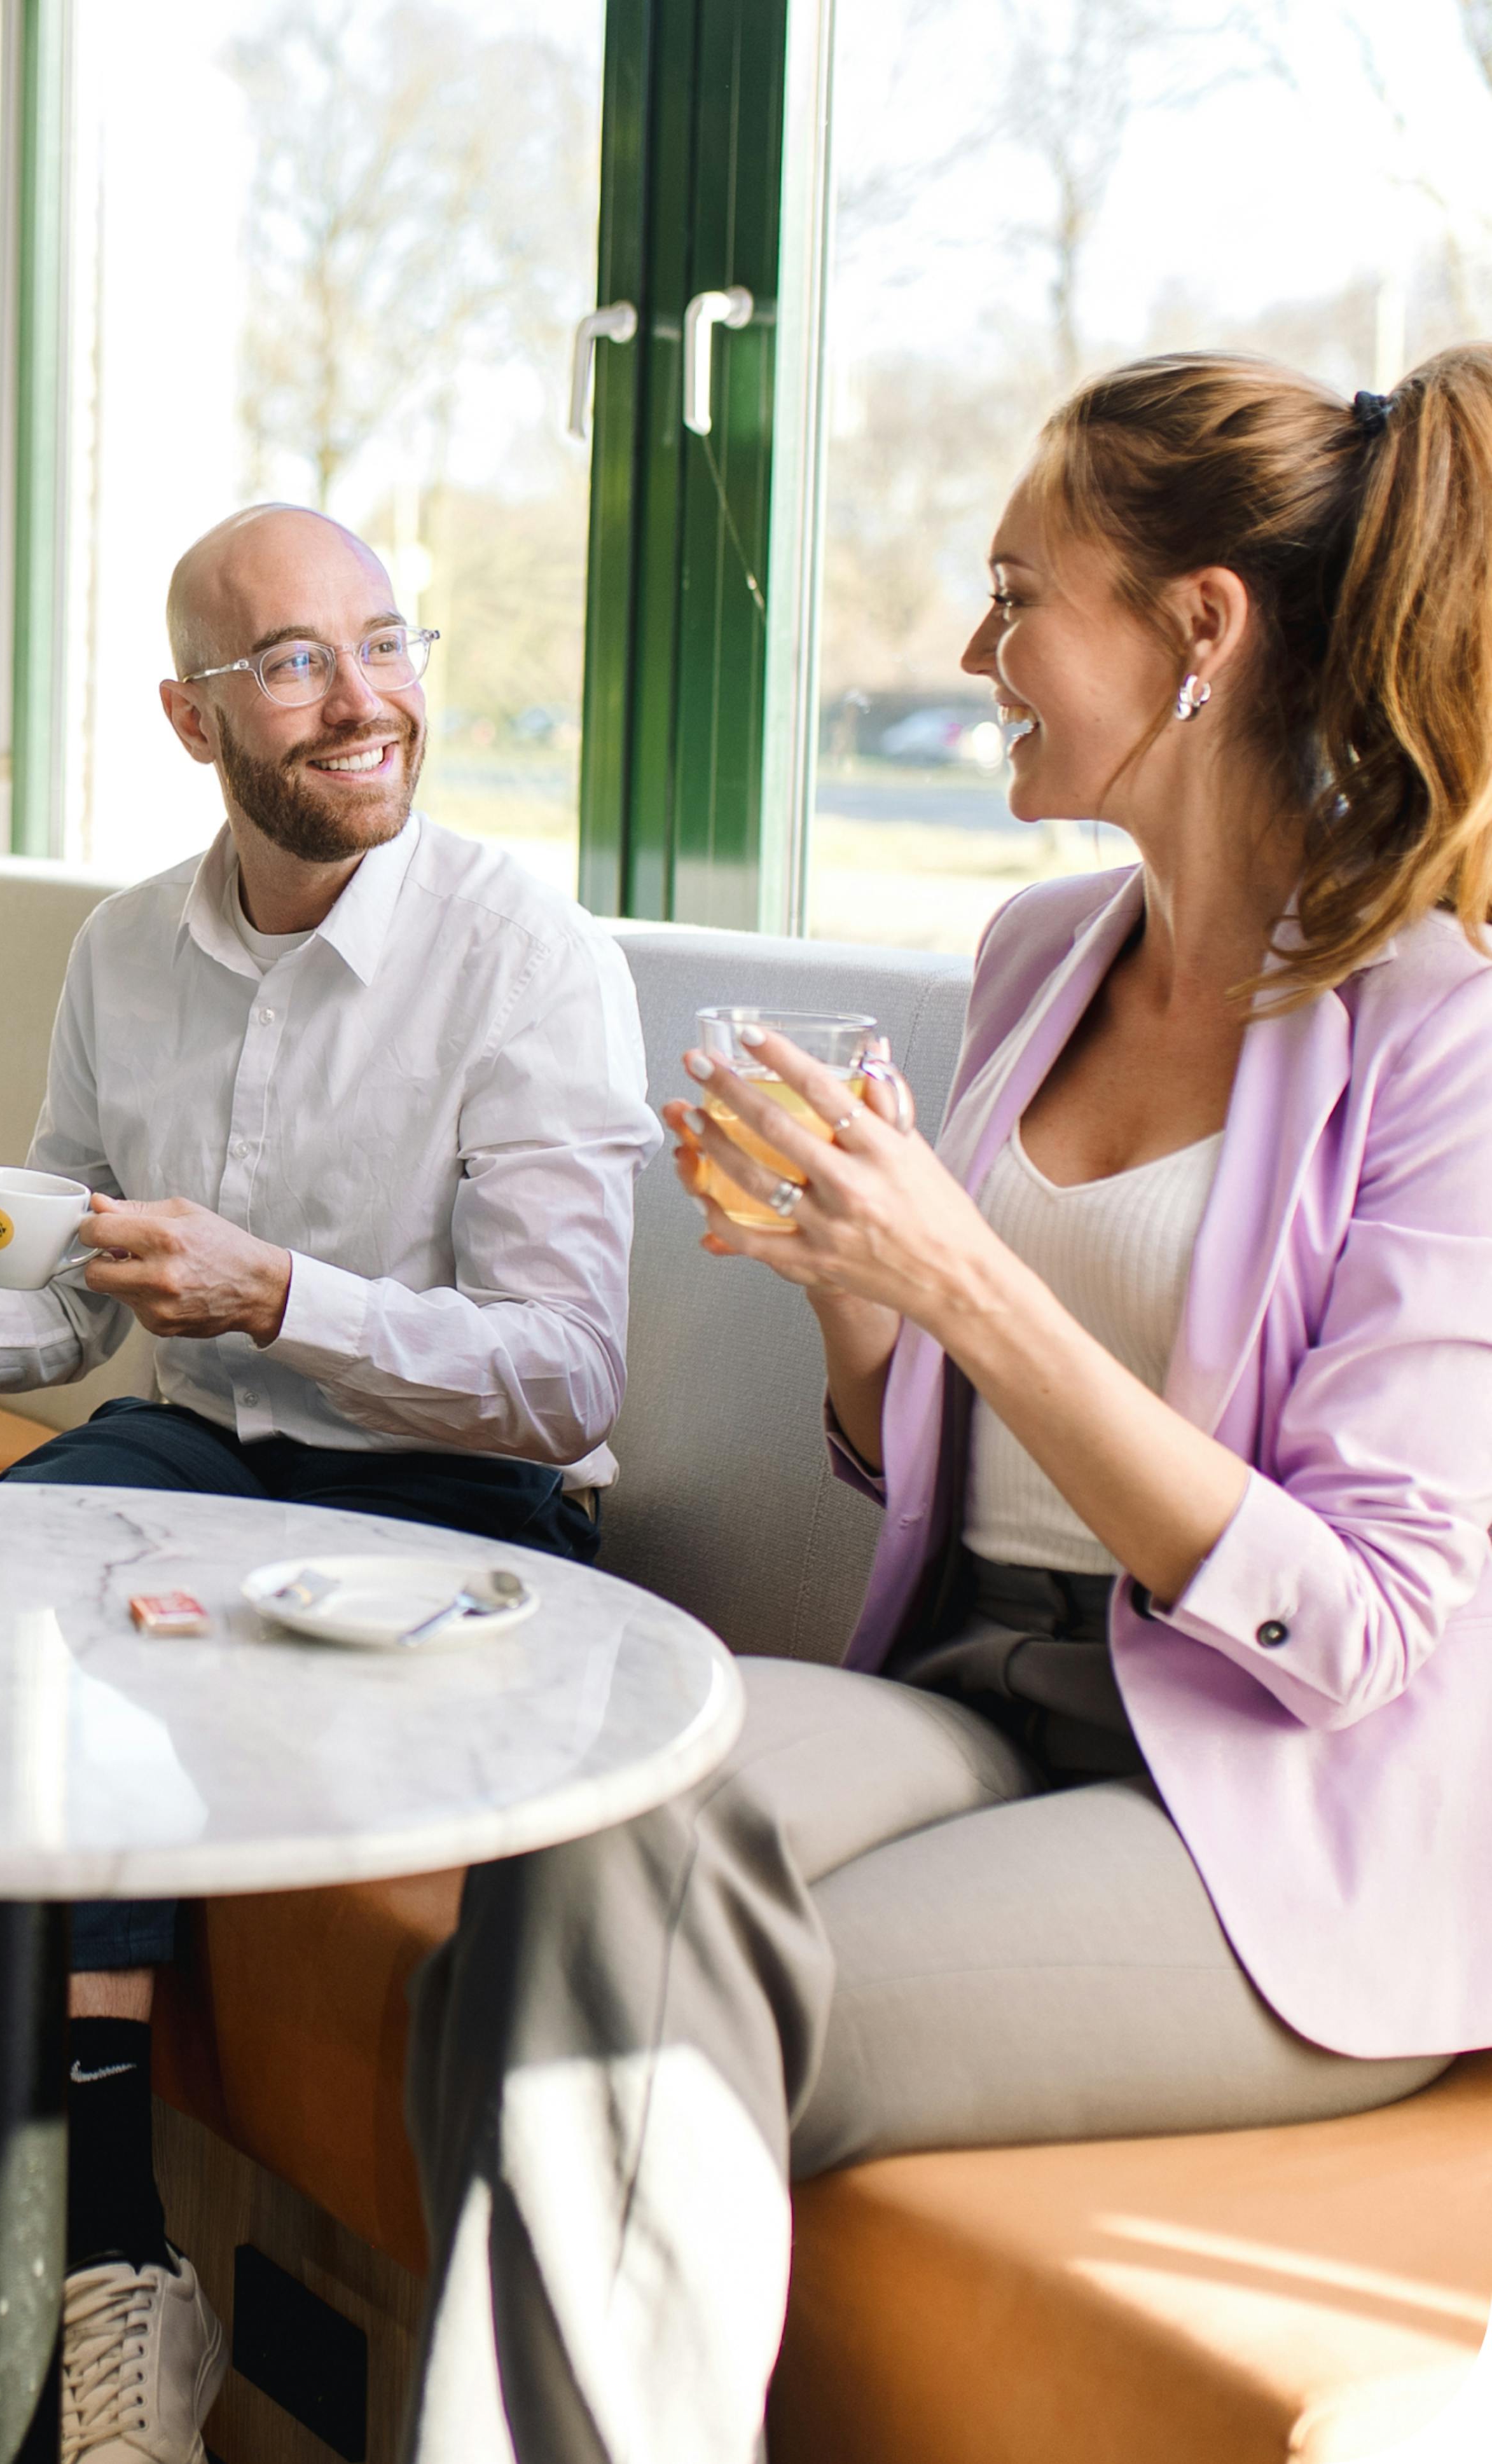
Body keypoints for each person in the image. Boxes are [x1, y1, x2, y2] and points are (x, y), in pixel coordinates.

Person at [403, 348, 1492, 2462]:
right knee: (581, 1826)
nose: (973, 650)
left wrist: (963, 1277)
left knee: (584, 2008)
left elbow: (1360, 1622)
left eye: (1019, 595)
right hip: (981, 1689)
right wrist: (854, 1290)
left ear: (1201, 629)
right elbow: (924, 1452)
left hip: (1270, 1815)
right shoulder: (1037, 955)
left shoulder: (1436, 1035)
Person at [0, 501, 663, 2461]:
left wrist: (281, 1294)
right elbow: (63, 1296)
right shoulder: (125, 951)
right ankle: (108, 2272)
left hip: (461, 1508)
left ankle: (30, 2286)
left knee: (111, 1640)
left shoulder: (528, 958)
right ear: (190, 715)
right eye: (297, 662)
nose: (363, 699)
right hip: (205, 1465)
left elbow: (568, 1373)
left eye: (385, 643)